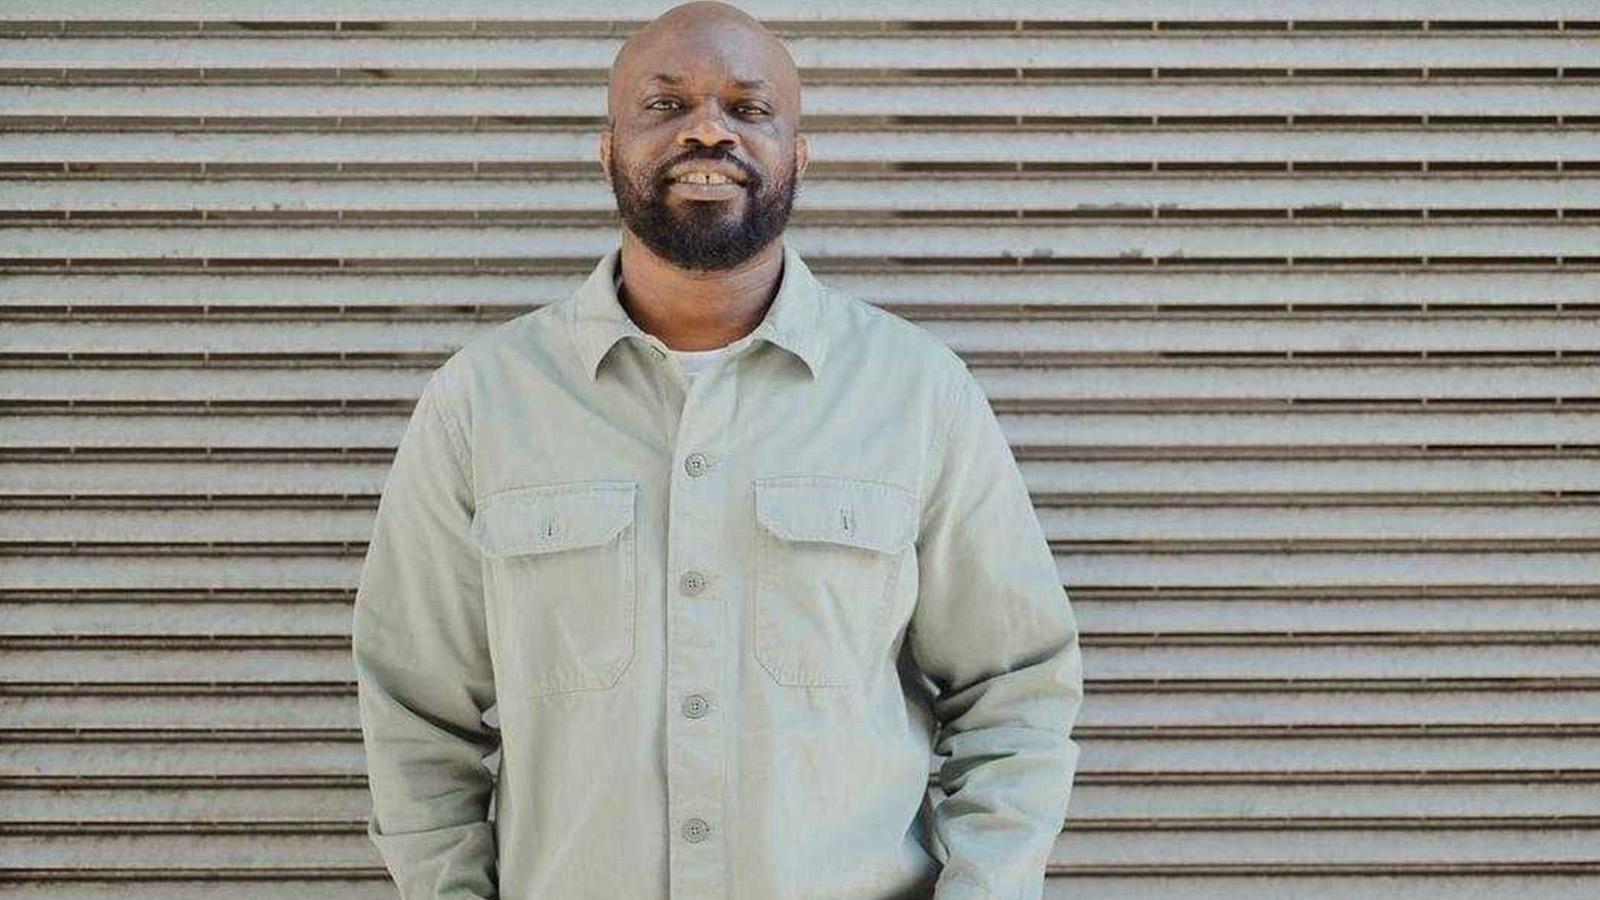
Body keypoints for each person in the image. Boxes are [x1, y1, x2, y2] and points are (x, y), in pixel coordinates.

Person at [351, 3, 1083, 899]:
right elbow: (416, 715)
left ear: (799, 155)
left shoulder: (917, 392)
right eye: (665, 106)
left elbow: (1016, 691)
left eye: (749, 108)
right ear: (607, 149)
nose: (708, 128)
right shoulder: (485, 401)